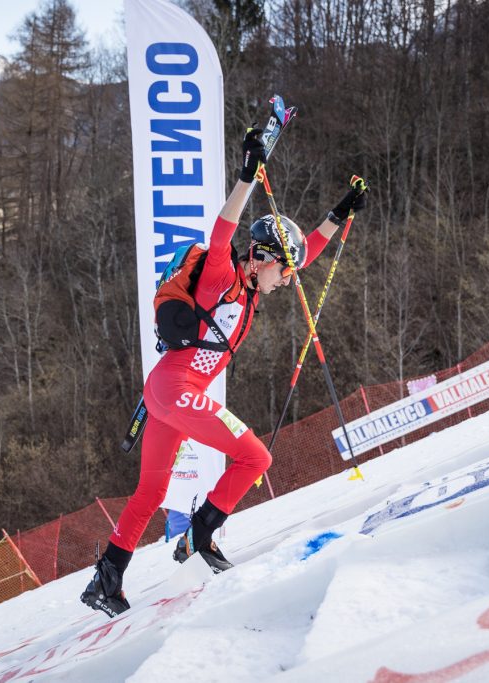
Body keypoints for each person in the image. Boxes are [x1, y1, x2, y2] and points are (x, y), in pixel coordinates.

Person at [81, 127, 368, 617]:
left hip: (166, 392)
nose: (286, 282)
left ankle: (106, 579)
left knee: (151, 490)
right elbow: (221, 233)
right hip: (176, 390)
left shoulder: (253, 290)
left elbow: (307, 254)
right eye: (283, 271)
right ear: (260, 260)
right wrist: (244, 177)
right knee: (255, 458)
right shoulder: (224, 279)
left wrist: (337, 214)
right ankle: (199, 537)